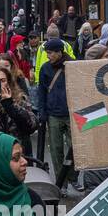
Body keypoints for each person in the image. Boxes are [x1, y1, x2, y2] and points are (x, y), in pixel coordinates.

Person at [38, 38, 75, 193]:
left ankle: (73, 176)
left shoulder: (73, 66)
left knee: (76, 149)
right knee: (56, 149)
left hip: (72, 114)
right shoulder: (45, 69)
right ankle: (62, 183)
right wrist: (42, 112)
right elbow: (42, 92)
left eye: (51, 53)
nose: (48, 56)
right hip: (53, 113)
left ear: (60, 52)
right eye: (47, 52)